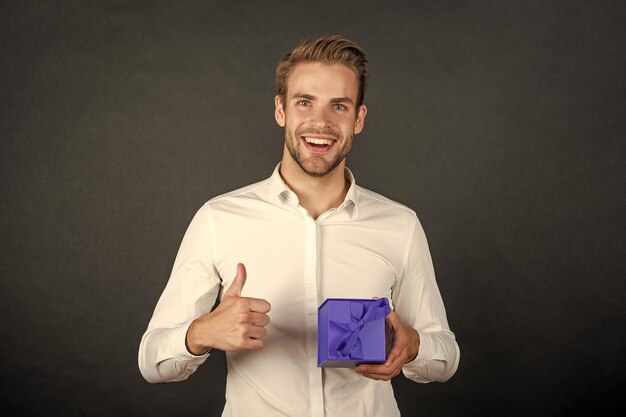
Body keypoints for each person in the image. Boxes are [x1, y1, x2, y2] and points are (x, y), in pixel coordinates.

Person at [138, 35, 459, 417]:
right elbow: (151, 360)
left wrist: (414, 345)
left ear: (358, 118)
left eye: (338, 106)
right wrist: (201, 333)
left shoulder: (400, 225)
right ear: (281, 110)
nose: (320, 122)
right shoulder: (218, 219)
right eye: (304, 102)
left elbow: (446, 355)